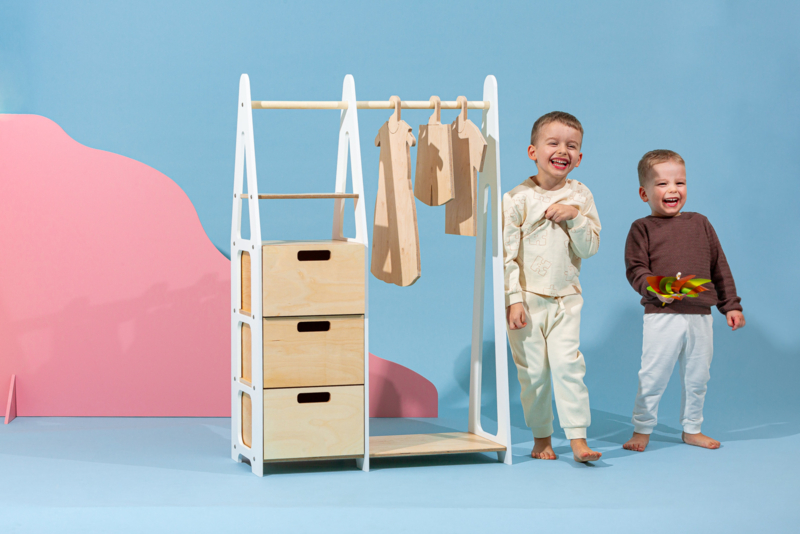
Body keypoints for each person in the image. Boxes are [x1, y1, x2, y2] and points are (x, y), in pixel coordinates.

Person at [623, 149, 745, 452]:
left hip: (700, 315)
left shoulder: (700, 223)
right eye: (662, 184)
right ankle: (642, 429)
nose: (673, 190)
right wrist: (656, 290)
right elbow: (636, 270)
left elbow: (719, 267)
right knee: (652, 376)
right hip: (661, 315)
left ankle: (692, 429)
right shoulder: (642, 228)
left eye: (680, 182)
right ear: (644, 193)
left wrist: (731, 305)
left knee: (698, 377)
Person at [503, 111, 602, 462]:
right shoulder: (517, 198)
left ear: (579, 157)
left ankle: (578, 439)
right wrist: (513, 299)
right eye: (553, 143)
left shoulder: (581, 195)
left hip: (566, 299)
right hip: (527, 301)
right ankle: (541, 437)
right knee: (534, 373)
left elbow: (590, 248)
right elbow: (506, 255)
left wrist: (574, 216)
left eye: (571, 146)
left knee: (569, 367)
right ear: (533, 152)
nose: (562, 151)